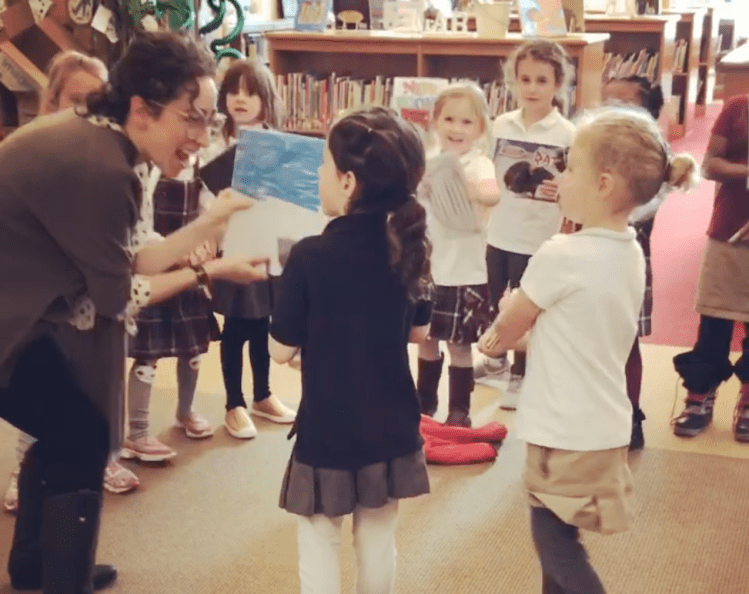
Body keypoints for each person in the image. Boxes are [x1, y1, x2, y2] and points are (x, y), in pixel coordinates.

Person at [0, 32, 268, 593]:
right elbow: (120, 295)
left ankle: (34, 566)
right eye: (191, 118)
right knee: (82, 435)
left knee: (66, 428)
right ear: (142, 108)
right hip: (15, 323)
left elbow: (134, 254)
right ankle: (61, 578)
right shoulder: (102, 167)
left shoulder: (103, 139)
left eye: (209, 120)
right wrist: (208, 272)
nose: (201, 137)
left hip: (21, 312)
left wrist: (212, 222)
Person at [479, 105, 697, 594]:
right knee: (559, 536)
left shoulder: (561, 254)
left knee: (555, 543)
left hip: (563, 428)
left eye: (570, 167)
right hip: (603, 424)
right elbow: (572, 327)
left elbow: (507, 331)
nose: (560, 177)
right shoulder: (629, 251)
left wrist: (497, 327)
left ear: (602, 184)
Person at [269, 106, 432, 594]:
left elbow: (279, 350)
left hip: (329, 426)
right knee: (378, 539)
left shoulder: (309, 254)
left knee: (319, 540)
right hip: (392, 422)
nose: (319, 174)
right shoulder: (412, 247)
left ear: (347, 181)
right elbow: (418, 334)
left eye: (323, 164)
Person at [3, 50, 141, 511]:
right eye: (78, 100)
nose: (89, 110)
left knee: (74, 420)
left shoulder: (86, 155)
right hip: (30, 318)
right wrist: (202, 271)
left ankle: (37, 552)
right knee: (72, 427)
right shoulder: (81, 163)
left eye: (97, 99)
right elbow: (114, 292)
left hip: (50, 312)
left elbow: (121, 256)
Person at [474, 39, 576, 409]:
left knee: (525, 308)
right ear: (513, 81)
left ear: (558, 83)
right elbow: (483, 168)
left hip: (538, 239)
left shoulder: (567, 134)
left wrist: (562, 194)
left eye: (542, 80)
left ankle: (521, 373)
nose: (532, 88)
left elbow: (575, 186)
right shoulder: (500, 125)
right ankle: (496, 360)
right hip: (499, 232)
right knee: (494, 299)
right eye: (525, 79)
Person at [211, 58, 296, 440]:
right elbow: (205, 200)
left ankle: (262, 394)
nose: (240, 99)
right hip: (232, 248)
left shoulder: (279, 146)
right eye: (233, 91)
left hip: (269, 250)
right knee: (236, 326)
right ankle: (234, 403)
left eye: (250, 92)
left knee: (263, 324)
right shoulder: (216, 145)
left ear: (266, 99)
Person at [416, 84, 499, 426]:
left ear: (480, 128)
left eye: (467, 122)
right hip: (427, 270)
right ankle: (424, 403)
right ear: (435, 121)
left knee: (459, 346)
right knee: (425, 338)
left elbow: (492, 194)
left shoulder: (478, 164)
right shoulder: (428, 161)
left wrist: (466, 184)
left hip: (464, 272)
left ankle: (459, 410)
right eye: (449, 119)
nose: (456, 128)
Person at [671, 94, 749, 442]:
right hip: (729, 230)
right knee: (714, 322)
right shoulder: (738, 108)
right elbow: (709, 165)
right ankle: (700, 397)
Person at [601, 75, 666, 450]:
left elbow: (643, 209)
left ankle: (631, 414)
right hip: (589, 250)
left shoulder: (654, 155)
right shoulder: (593, 145)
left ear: (649, 112)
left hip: (628, 256)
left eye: (624, 103)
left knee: (626, 340)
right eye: (607, 102)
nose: (613, 110)